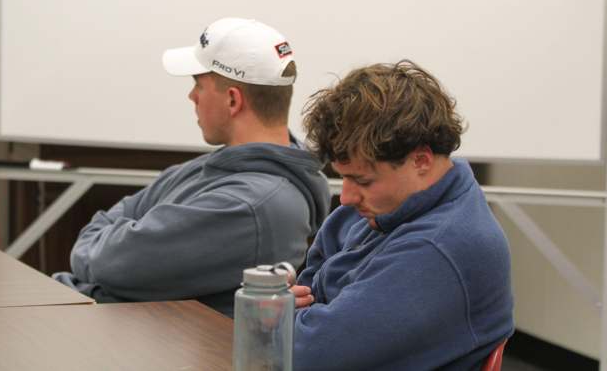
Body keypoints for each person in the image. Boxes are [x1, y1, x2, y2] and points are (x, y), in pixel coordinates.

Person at [53, 18, 330, 316]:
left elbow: (110, 264)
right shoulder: (223, 166)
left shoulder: (250, 204)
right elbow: (111, 240)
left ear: (233, 100)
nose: (191, 96)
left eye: (198, 84)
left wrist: (99, 263)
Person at [292, 60, 514, 370]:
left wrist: (277, 314)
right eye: (344, 178)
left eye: (363, 180)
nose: (346, 197)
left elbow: (308, 354)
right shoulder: (386, 207)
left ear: (420, 161)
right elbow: (309, 284)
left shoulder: (439, 248)